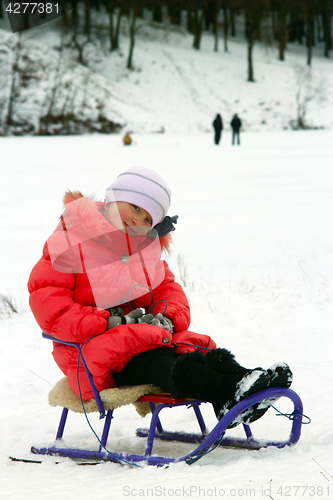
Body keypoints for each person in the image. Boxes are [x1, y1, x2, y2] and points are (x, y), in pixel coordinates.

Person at [28, 167, 292, 426]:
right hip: (90, 353)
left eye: (148, 220)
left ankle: (249, 380)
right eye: (136, 209)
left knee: (192, 346)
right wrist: (105, 322)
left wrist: (166, 317)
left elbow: (167, 288)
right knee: (160, 362)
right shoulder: (70, 242)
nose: (138, 222)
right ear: (113, 198)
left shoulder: (140, 249)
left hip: (138, 337)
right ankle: (225, 391)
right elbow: (51, 309)